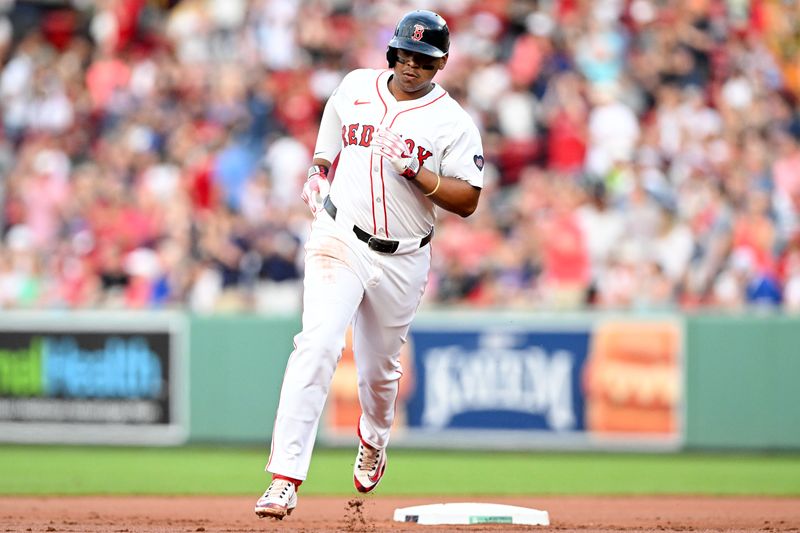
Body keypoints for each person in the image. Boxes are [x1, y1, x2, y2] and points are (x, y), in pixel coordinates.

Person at [254, 9, 484, 520]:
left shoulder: (453, 123)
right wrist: (318, 167)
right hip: (340, 235)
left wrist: (418, 172)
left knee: (379, 374)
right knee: (316, 345)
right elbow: (333, 119)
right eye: (404, 53)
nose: (411, 64)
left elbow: (468, 199)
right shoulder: (357, 85)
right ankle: (285, 478)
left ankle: (374, 439)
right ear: (392, 51)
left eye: (423, 59)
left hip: (404, 256)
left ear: (441, 63)